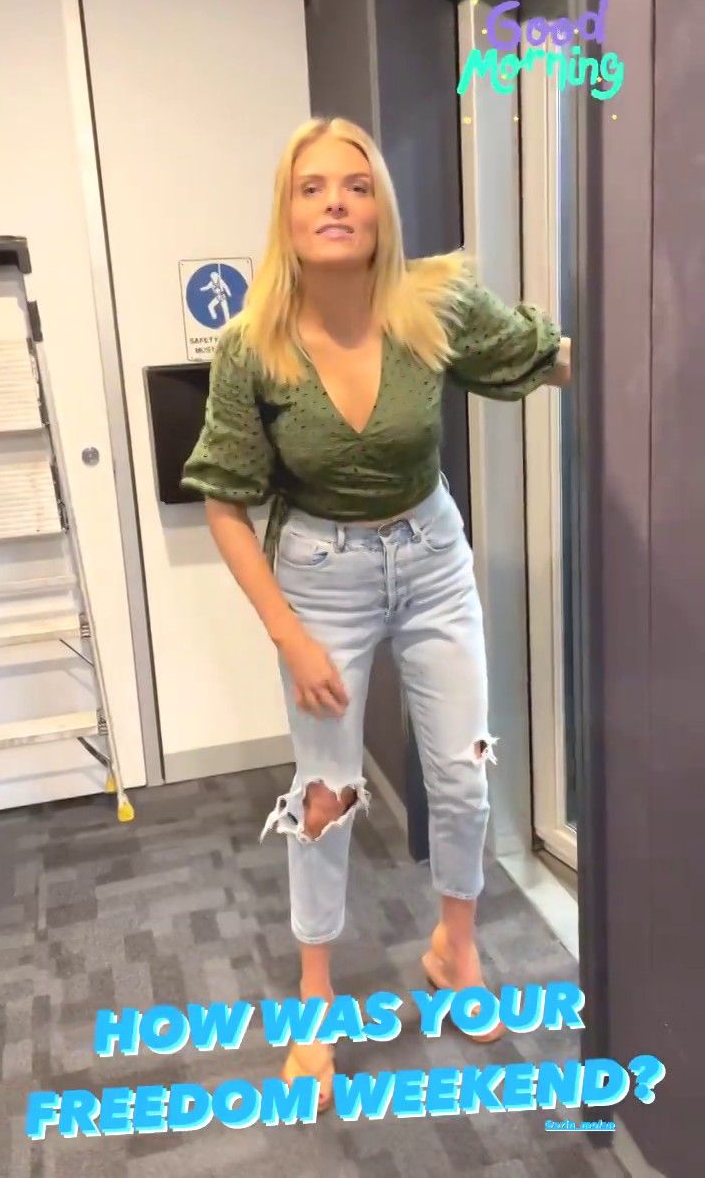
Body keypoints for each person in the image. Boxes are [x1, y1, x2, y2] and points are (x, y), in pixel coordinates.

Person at [182, 116, 571, 1112]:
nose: (336, 203)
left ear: (380, 208)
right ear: (286, 211)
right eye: (312, 187)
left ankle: (455, 949)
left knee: (464, 772)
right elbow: (224, 503)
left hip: (433, 557)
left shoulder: (430, 306)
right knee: (327, 794)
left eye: (355, 186)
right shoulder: (253, 345)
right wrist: (291, 634)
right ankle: (315, 999)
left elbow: (542, 355)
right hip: (320, 578)